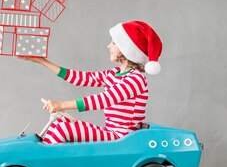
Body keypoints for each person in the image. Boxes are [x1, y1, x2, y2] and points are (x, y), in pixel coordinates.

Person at [19, 20, 163, 144]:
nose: (109, 46)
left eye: (114, 43)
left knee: (64, 129)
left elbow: (103, 100)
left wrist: (61, 105)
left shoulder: (135, 79)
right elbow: (81, 78)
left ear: (127, 50)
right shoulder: (113, 74)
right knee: (60, 123)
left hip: (122, 138)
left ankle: (43, 165)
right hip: (112, 133)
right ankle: (43, 164)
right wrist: (43, 62)